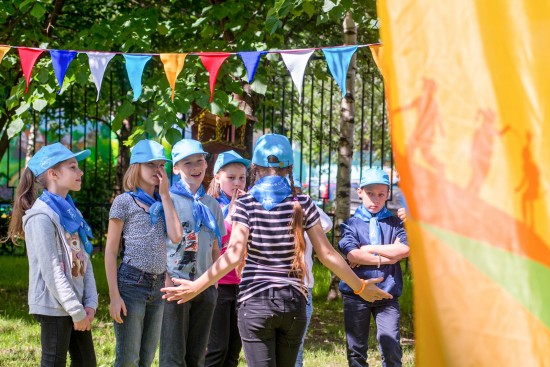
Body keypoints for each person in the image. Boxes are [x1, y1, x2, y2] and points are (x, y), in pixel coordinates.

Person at [162, 133, 393, 367]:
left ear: (255, 168)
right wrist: (360, 286)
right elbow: (328, 254)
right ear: (290, 168)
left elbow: (232, 256)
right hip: (293, 303)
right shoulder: (303, 203)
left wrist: (195, 287)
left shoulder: (245, 203)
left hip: (255, 303)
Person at [6, 142, 98, 366]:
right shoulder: (41, 216)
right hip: (54, 305)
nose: (80, 172)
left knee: (87, 362)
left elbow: (83, 258)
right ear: (53, 173)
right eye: (73, 167)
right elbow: (52, 270)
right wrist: (76, 310)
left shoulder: (70, 211)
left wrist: (90, 302)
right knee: (53, 361)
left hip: (75, 304)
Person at [105, 139, 182, 367]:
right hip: (131, 284)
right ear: (136, 167)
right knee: (129, 358)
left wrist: (166, 196)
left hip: (157, 286)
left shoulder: (164, 202)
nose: (157, 171)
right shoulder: (124, 202)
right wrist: (114, 296)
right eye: (151, 165)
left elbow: (177, 236)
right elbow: (110, 252)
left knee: (147, 358)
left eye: (161, 165)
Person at [160, 139, 226, 367]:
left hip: (205, 286)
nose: (196, 166)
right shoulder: (168, 200)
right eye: (187, 163)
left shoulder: (212, 205)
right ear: (176, 168)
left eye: (200, 160)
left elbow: (216, 247)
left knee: (197, 356)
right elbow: (160, 242)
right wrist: (165, 276)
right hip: (175, 286)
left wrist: (214, 283)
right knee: (172, 356)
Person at [338, 168, 410, 367]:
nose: (375, 200)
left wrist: (369, 249)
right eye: (370, 194)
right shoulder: (350, 225)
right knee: (356, 350)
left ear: (387, 194)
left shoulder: (396, 224)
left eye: (380, 194)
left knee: (391, 347)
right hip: (356, 294)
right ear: (360, 192)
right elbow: (352, 254)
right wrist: (388, 257)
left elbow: (403, 250)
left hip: (387, 294)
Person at [205, 150, 250, 367]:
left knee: (234, 349)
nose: (237, 183)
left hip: (244, 284)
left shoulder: (250, 204)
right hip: (218, 283)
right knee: (216, 349)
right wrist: (229, 214)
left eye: (242, 177)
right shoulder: (209, 205)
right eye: (231, 177)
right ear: (217, 178)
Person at [293, 180, 333, 367]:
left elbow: (327, 223)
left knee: (296, 347)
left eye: (298, 193)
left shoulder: (307, 228)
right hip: (275, 290)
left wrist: (307, 203)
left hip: (303, 289)